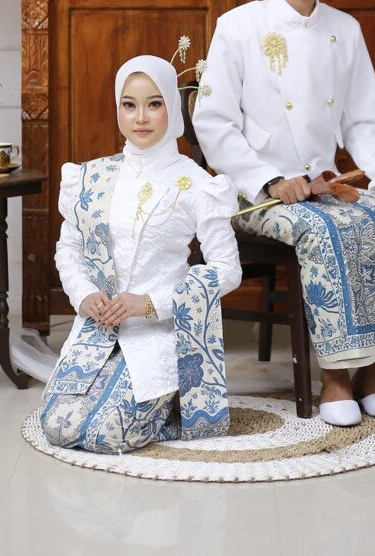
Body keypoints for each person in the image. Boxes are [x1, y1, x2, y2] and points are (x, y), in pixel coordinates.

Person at [192, 0, 375, 426]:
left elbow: (364, 119)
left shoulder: (345, 29)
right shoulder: (238, 26)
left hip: (324, 184)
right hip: (254, 194)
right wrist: (269, 180)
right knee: (326, 232)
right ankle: (336, 379)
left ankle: (373, 375)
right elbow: (212, 122)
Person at [40, 55, 242, 453]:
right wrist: (83, 294)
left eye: (154, 103)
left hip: (158, 333)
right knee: (58, 427)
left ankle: (172, 405)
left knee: (105, 435)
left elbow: (227, 270)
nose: (141, 117)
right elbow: (69, 247)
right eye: (129, 105)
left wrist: (149, 303)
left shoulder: (196, 184)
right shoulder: (90, 176)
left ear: (172, 105)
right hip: (99, 330)